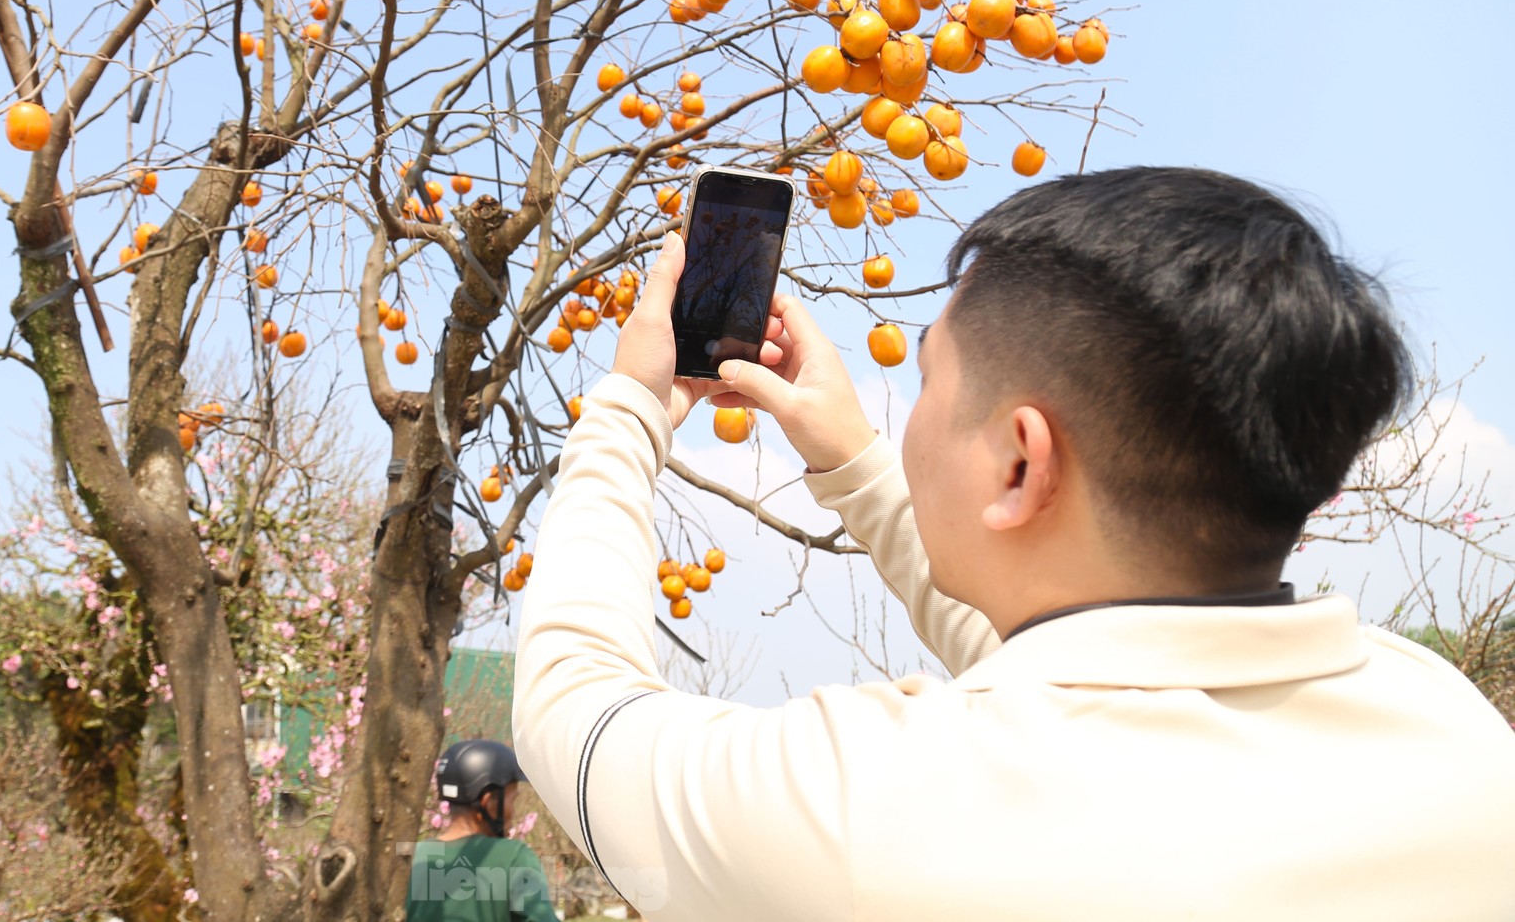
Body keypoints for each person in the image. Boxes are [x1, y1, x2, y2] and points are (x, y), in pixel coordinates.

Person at [513, 167, 1515, 920]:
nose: (901, 418)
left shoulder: (869, 811)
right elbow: (1076, 664)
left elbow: (571, 700)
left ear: (1021, 463)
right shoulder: (1446, 725)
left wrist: (630, 407)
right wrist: (854, 462)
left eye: (931, 380)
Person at [405, 738, 560, 922]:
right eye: (512, 800)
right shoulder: (514, 857)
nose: (515, 811)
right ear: (487, 802)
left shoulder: (410, 859)